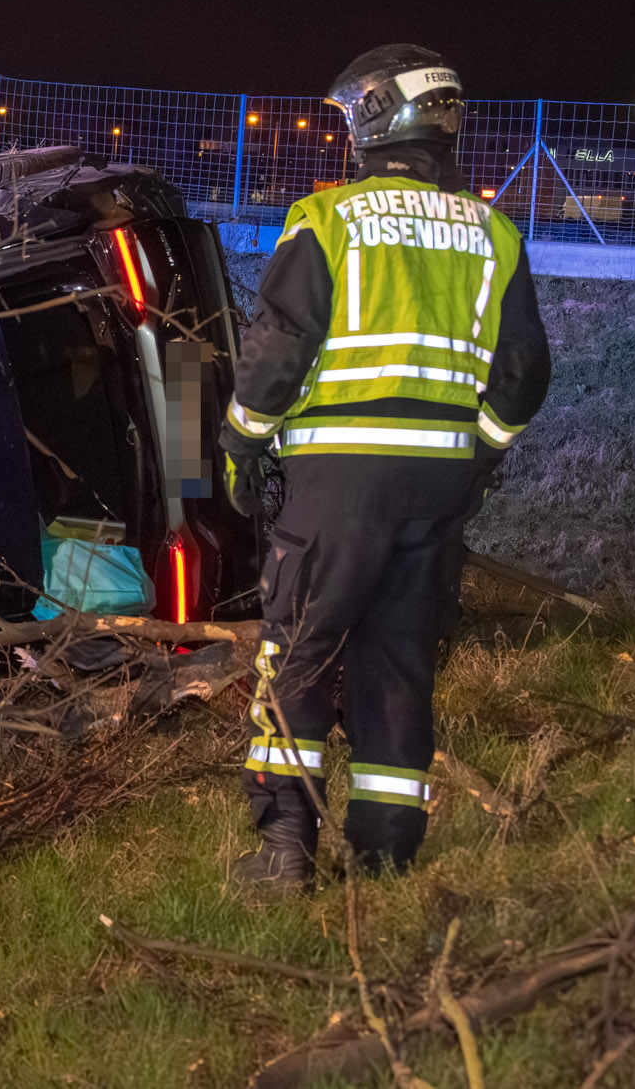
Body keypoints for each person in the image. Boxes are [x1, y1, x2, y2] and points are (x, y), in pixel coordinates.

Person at [219, 45, 553, 891]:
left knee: (295, 653)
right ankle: (387, 857)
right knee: (400, 666)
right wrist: (480, 450)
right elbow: (523, 374)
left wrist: (241, 440)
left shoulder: (326, 220)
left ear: (376, 119)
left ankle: (285, 845)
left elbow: (275, 356)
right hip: (435, 491)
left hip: (336, 487)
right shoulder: (493, 231)